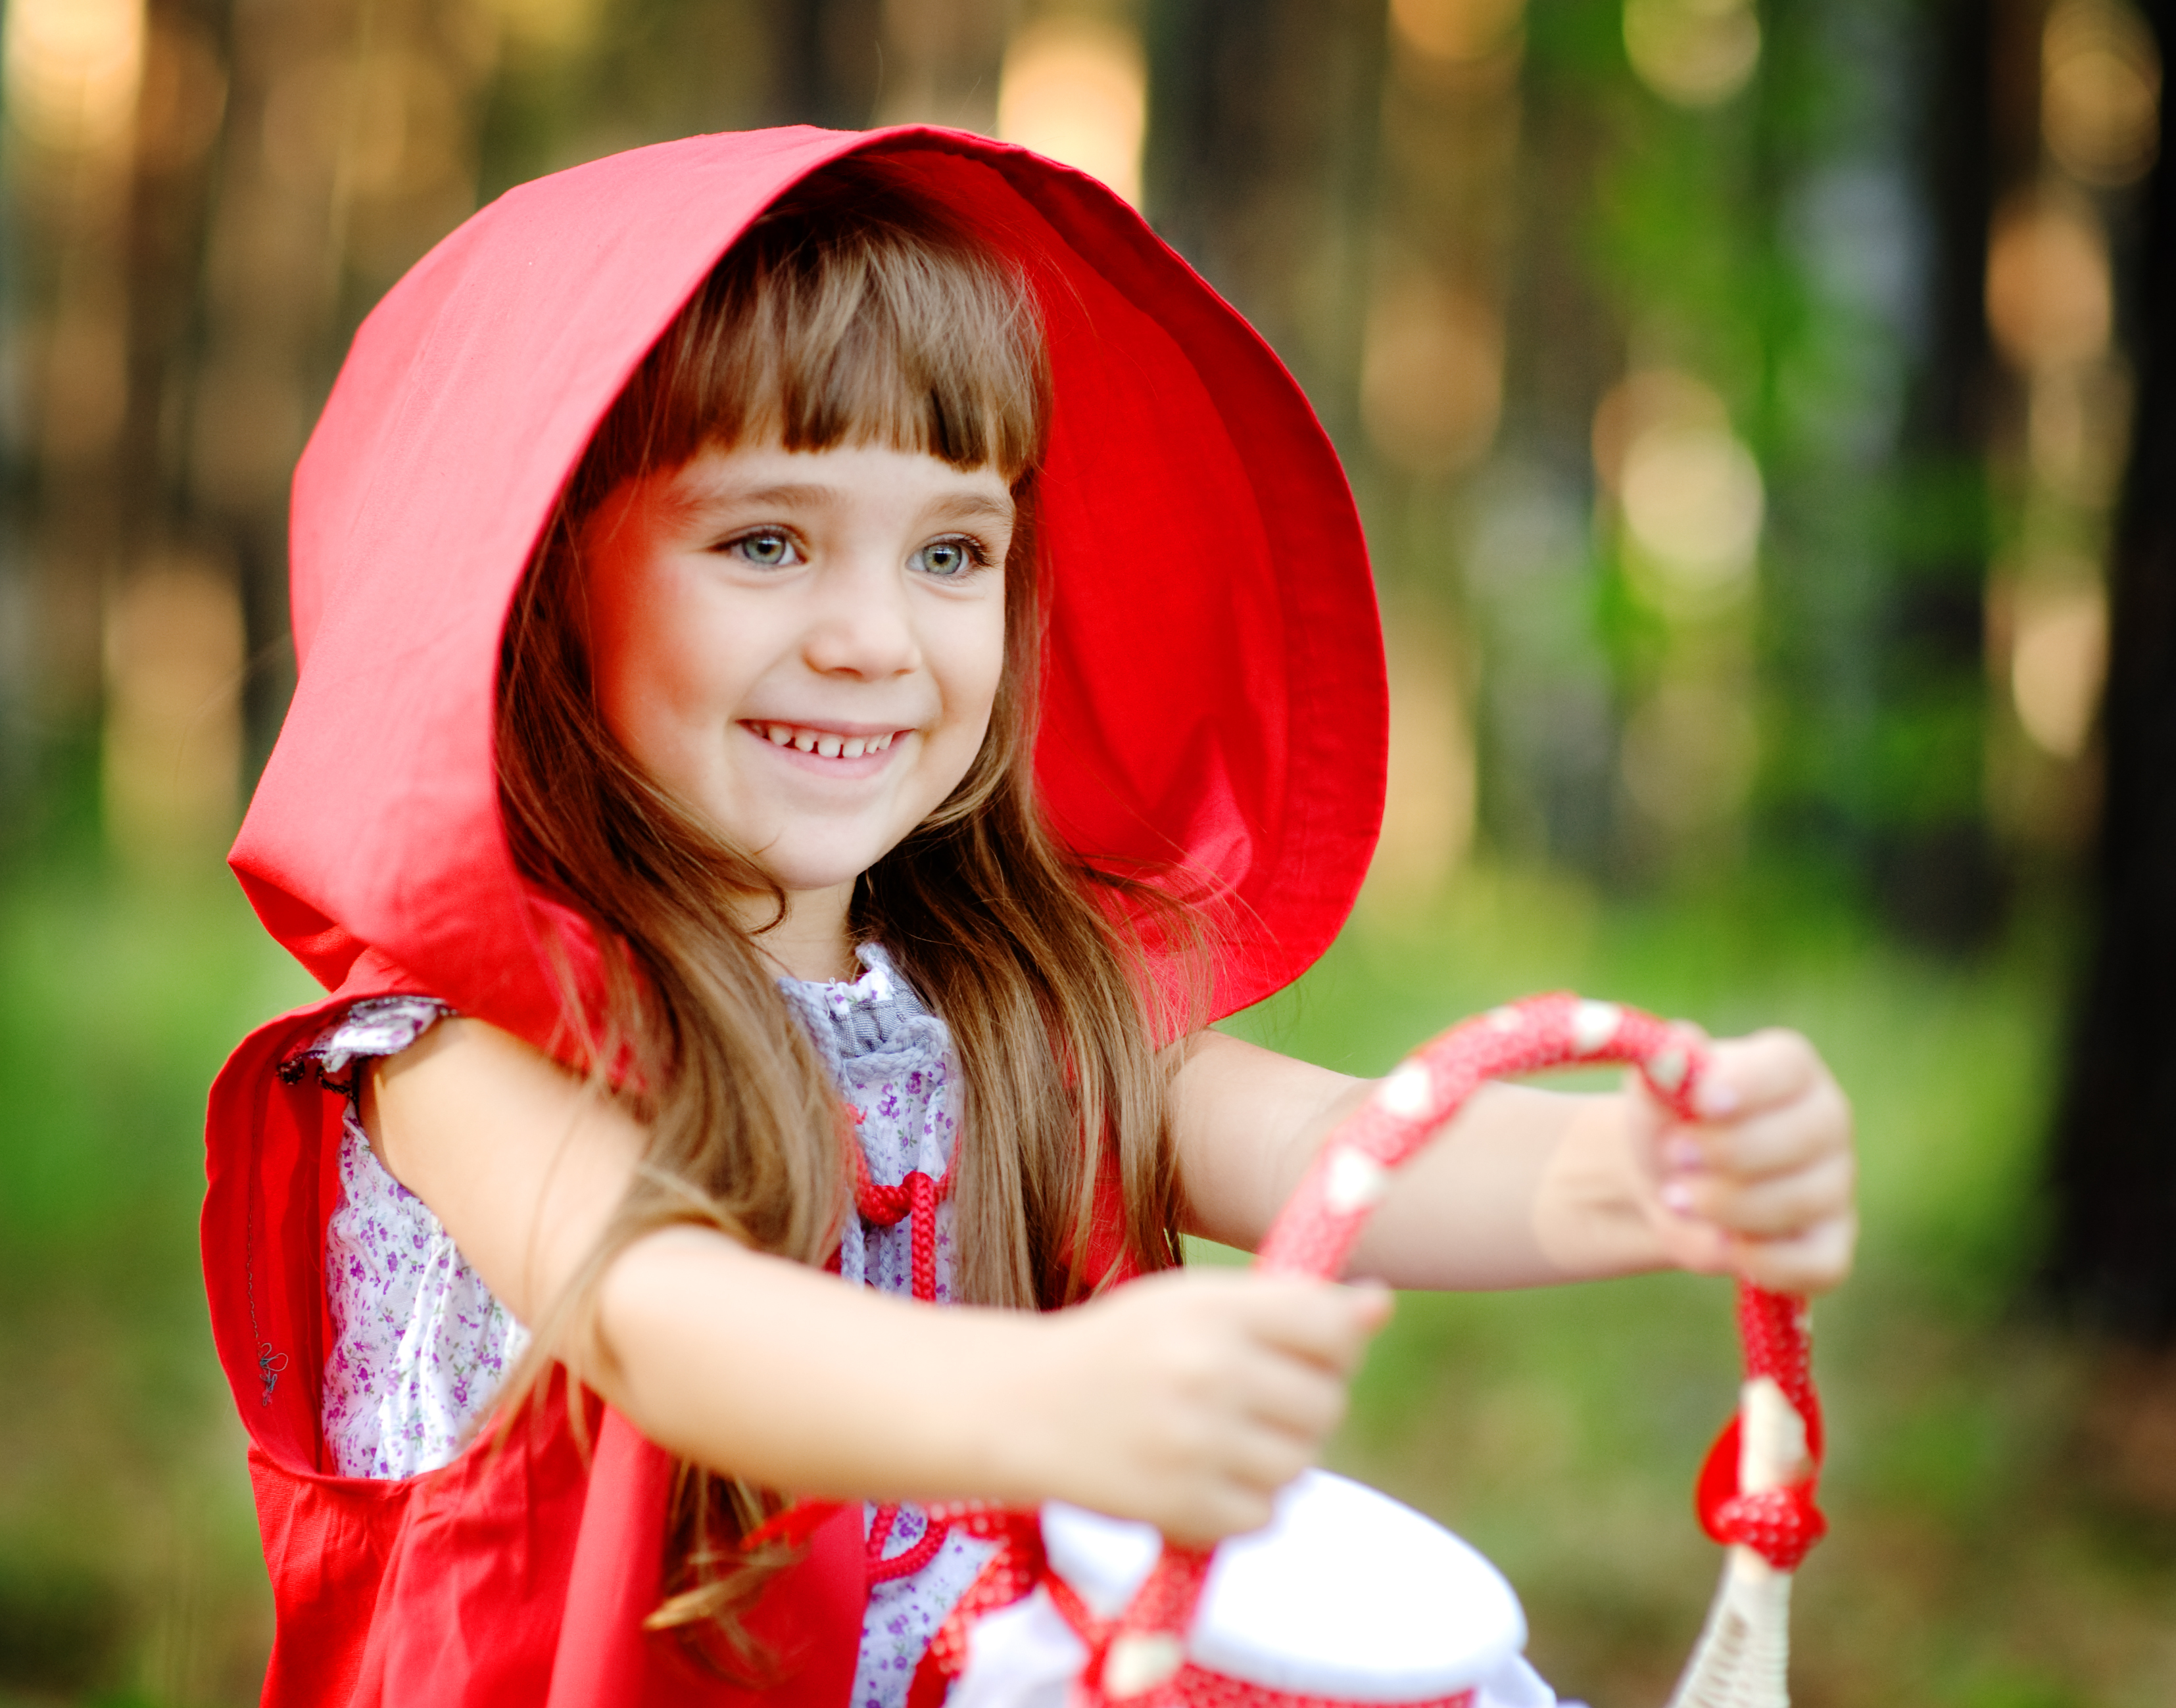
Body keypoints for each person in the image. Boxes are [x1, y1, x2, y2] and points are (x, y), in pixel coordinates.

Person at [202, 128, 1854, 1708]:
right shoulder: (462, 1054)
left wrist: (1621, 1177)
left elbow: (1319, 1149)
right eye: (767, 541)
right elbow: (663, 1325)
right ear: (536, 587)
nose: (871, 637)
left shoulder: (992, 1008)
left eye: (951, 551)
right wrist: (1043, 1402)